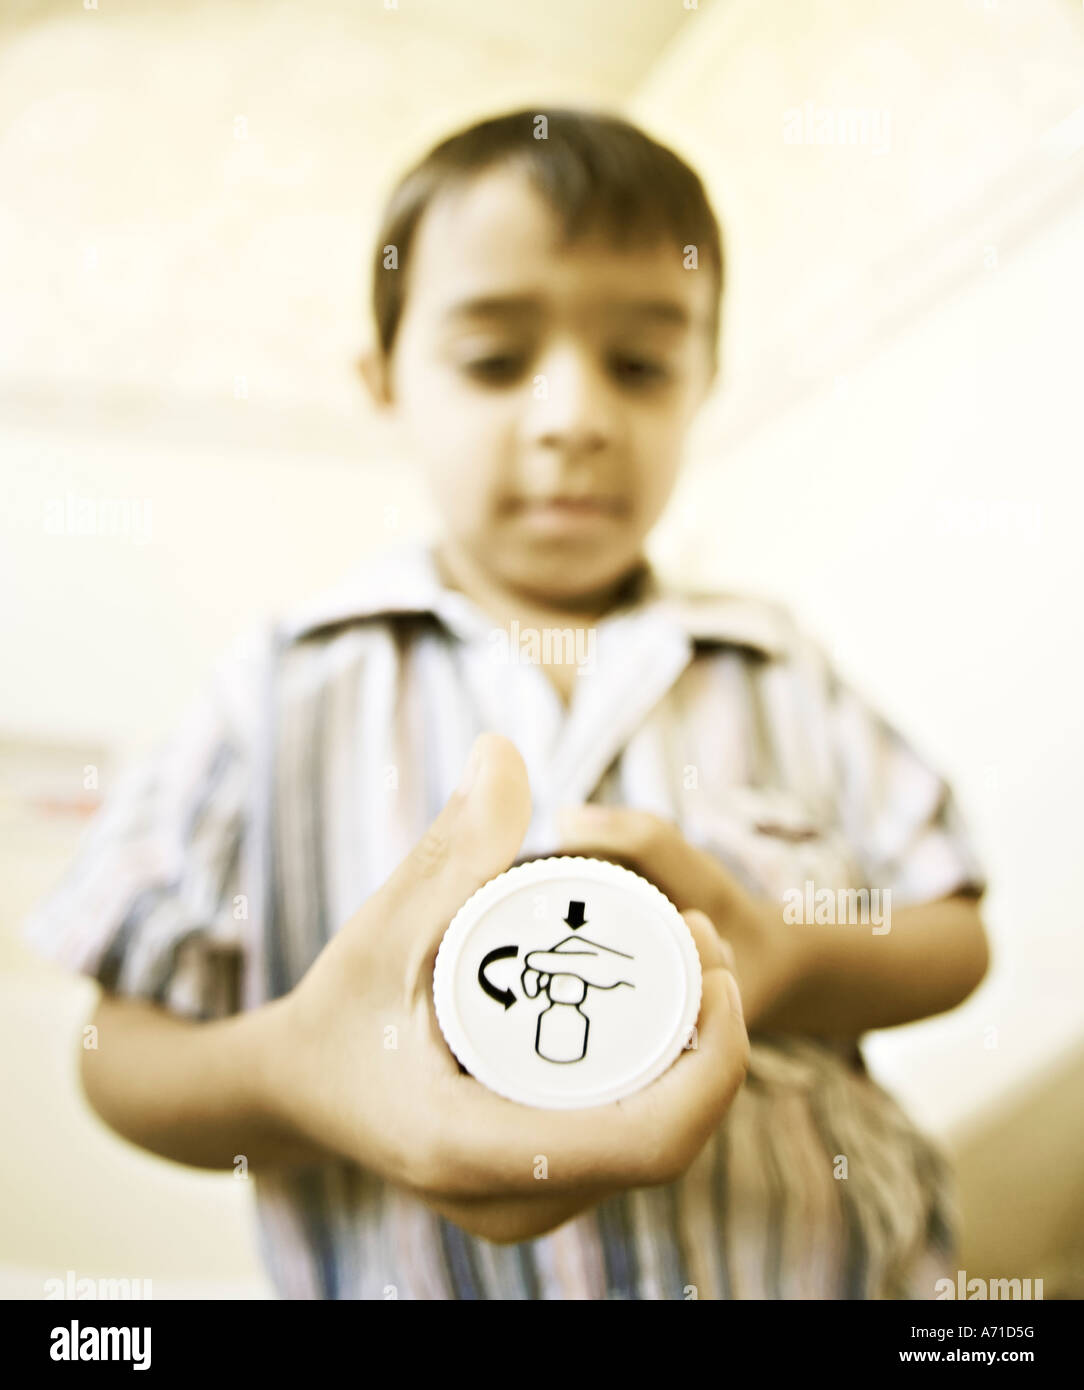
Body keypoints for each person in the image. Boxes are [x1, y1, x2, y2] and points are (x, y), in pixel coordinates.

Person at [21, 107, 989, 1299]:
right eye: (493, 362)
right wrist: (295, 1077)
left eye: (639, 364)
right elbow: (116, 1047)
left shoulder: (776, 662)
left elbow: (952, 929)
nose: (573, 416)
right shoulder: (278, 686)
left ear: (702, 383)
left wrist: (787, 955)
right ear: (386, 383)